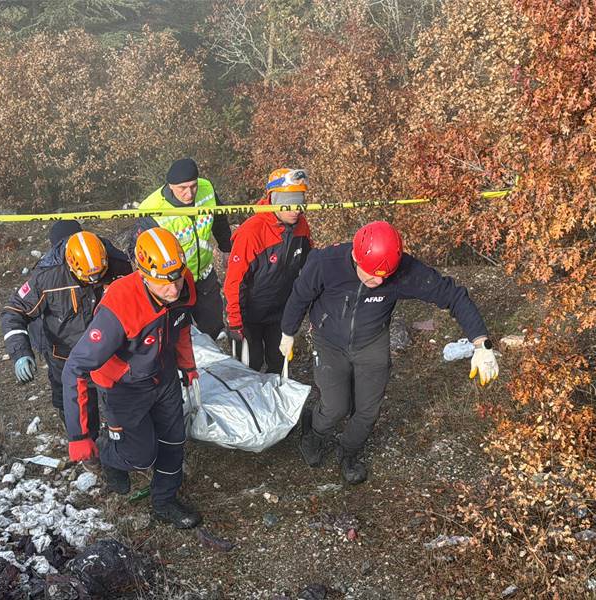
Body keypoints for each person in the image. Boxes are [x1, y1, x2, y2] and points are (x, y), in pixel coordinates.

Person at [280, 221, 499, 484]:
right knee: (336, 405)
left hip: (372, 341)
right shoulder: (325, 263)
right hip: (329, 341)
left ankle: (348, 452)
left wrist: (481, 344)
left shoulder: (403, 272)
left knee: (367, 410)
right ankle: (314, 433)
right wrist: (287, 332)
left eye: (386, 275)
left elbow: (453, 295)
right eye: (372, 274)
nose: (380, 280)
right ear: (355, 257)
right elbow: (299, 296)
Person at [62, 227, 202, 529]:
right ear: (143, 273)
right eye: (164, 282)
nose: (174, 288)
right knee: (140, 457)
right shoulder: (120, 306)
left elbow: (181, 328)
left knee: (174, 442)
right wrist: (78, 435)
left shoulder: (183, 282)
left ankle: (163, 501)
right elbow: (75, 367)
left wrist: (187, 366)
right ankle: (110, 453)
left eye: (177, 277)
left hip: (161, 375)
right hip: (123, 385)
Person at [0, 221, 132, 436]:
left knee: (121, 403)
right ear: (71, 265)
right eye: (88, 278)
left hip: (110, 351)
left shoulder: (118, 264)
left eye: (99, 275)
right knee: (74, 405)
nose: (94, 281)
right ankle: (85, 446)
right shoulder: (47, 277)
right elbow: (13, 311)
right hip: (65, 355)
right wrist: (20, 352)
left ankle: (121, 445)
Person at [223, 168, 313, 373]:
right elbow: (234, 282)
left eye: (300, 202)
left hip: (280, 312)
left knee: (279, 363)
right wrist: (235, 322)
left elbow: (309, 268)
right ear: (274, 200)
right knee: (248, 368)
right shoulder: (251, 232)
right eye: (290, 202)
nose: (296, 209)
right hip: (248, 316)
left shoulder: (301, 227)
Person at [136, 158, 232, 340]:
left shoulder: (207, 189)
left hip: (204, 275)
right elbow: (144, 251)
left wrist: (226, 248)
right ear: (171, 186)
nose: (189, 193)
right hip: (173, 282)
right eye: (182, 188)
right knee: (177, 336)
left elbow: (219, 220)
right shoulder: (151, 209)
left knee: (214, 331)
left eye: (193, 186)